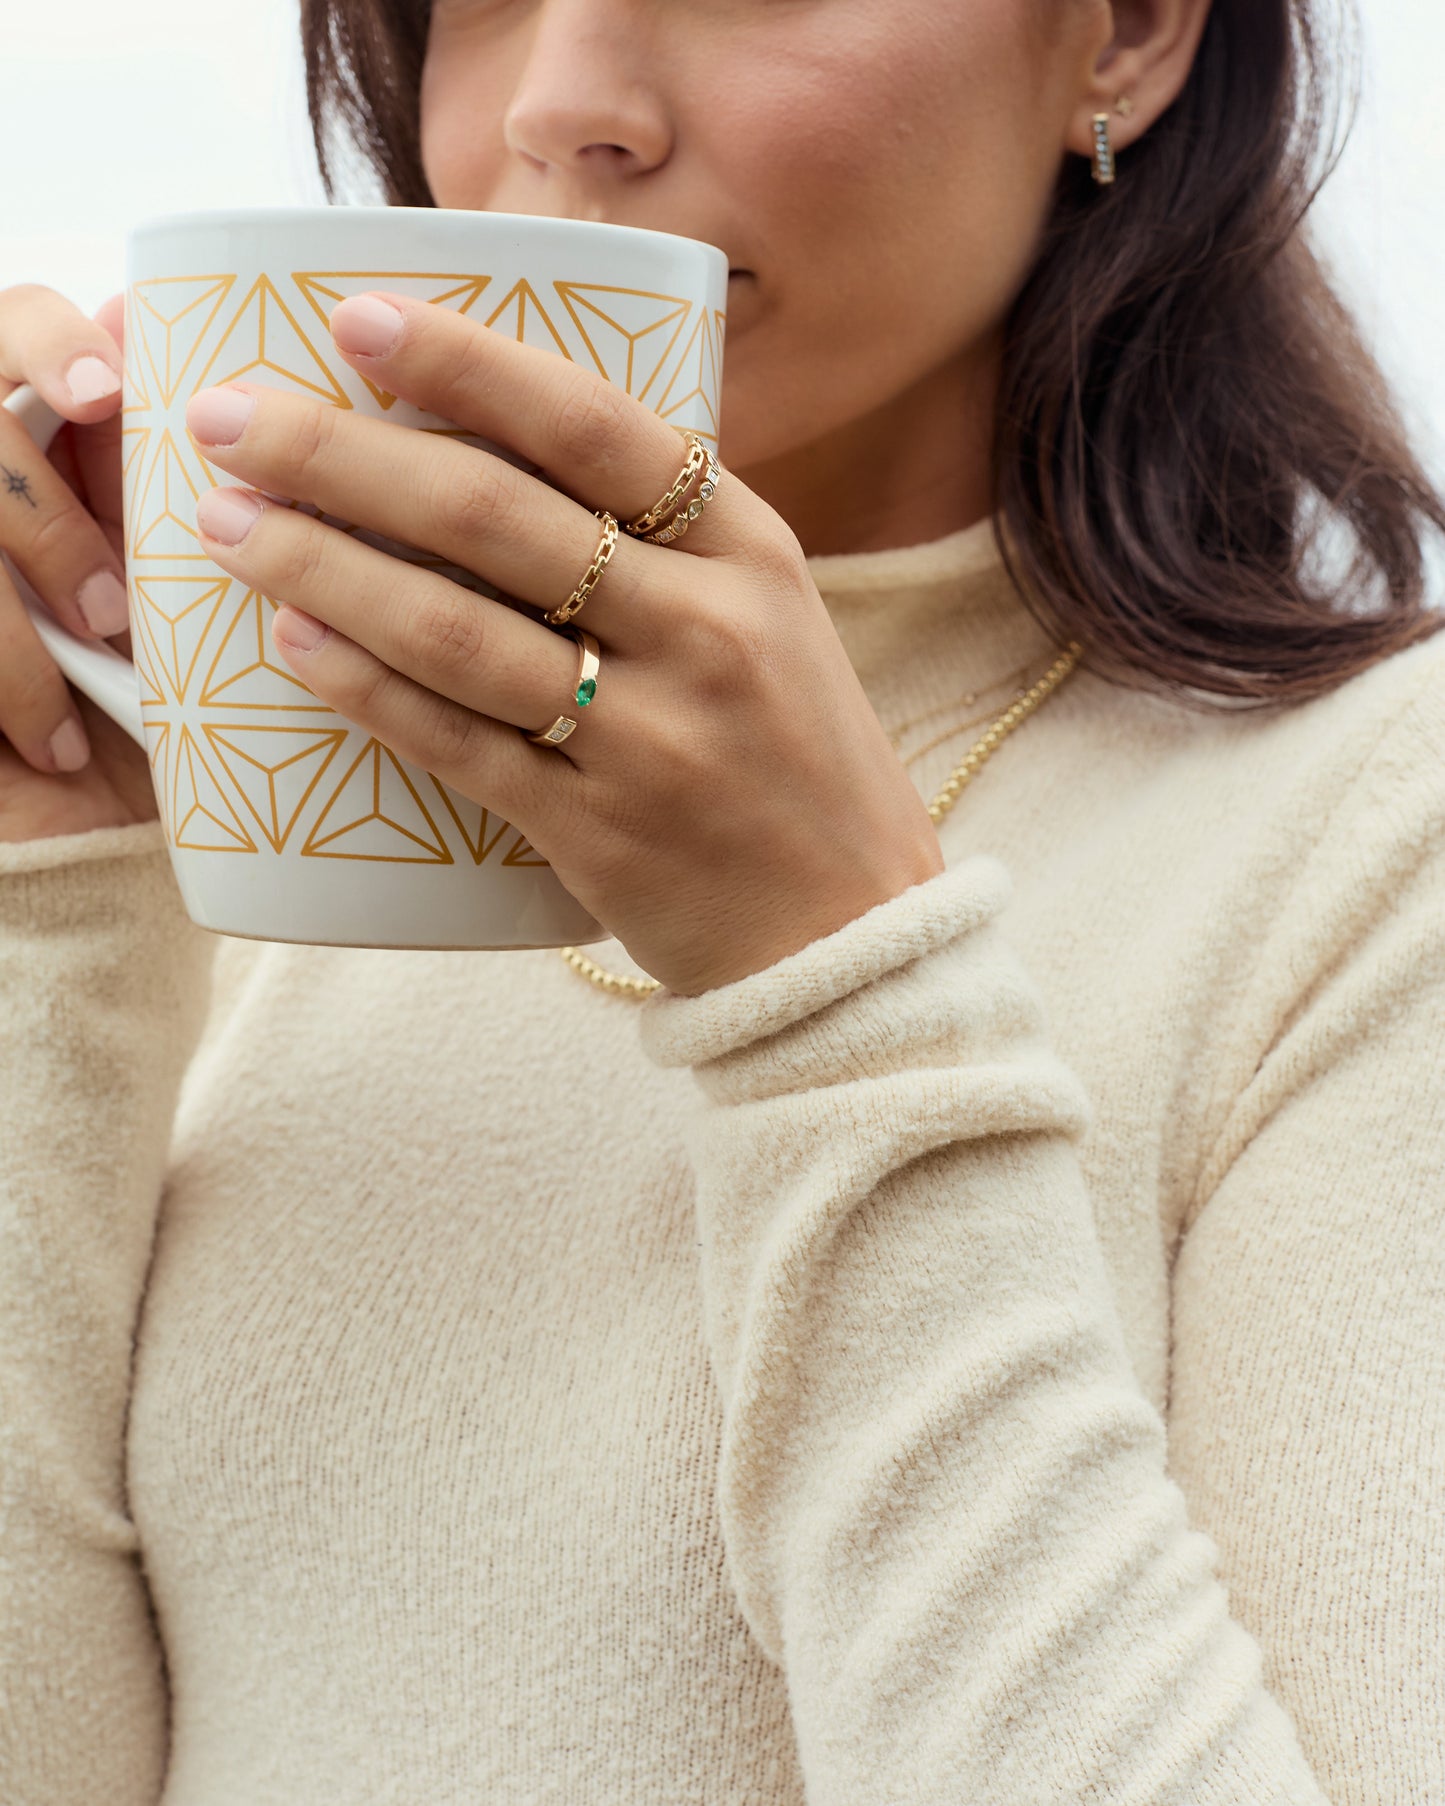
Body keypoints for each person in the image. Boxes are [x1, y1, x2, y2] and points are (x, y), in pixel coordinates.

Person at [1, 0, 1441, 1799]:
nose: (561, 105)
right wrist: (51, 863)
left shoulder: (1382, 837)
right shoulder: (275, 820)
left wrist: (831, 985)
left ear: (1126, 37)